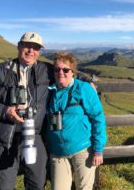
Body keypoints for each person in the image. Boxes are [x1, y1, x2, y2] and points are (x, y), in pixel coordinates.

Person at [0, 32, 93, 190]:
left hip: (35, 135)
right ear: (18, 46)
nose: (31, 50)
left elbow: (67, 71)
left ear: (39, 51)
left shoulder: (45, 69)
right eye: (27, 45)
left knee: (37, 182)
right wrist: (6, 111)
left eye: (36, 47)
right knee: (3, 184)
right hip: (6, 137)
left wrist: (88, 81)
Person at [46, 52, 107, 190]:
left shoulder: (83, 89)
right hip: (57, 150)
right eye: (57, 69)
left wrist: (98, 150)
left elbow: (98, 118)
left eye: (65, 70)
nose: (61, 72)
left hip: (83, 148)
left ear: (72, 72)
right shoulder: (49, 90)